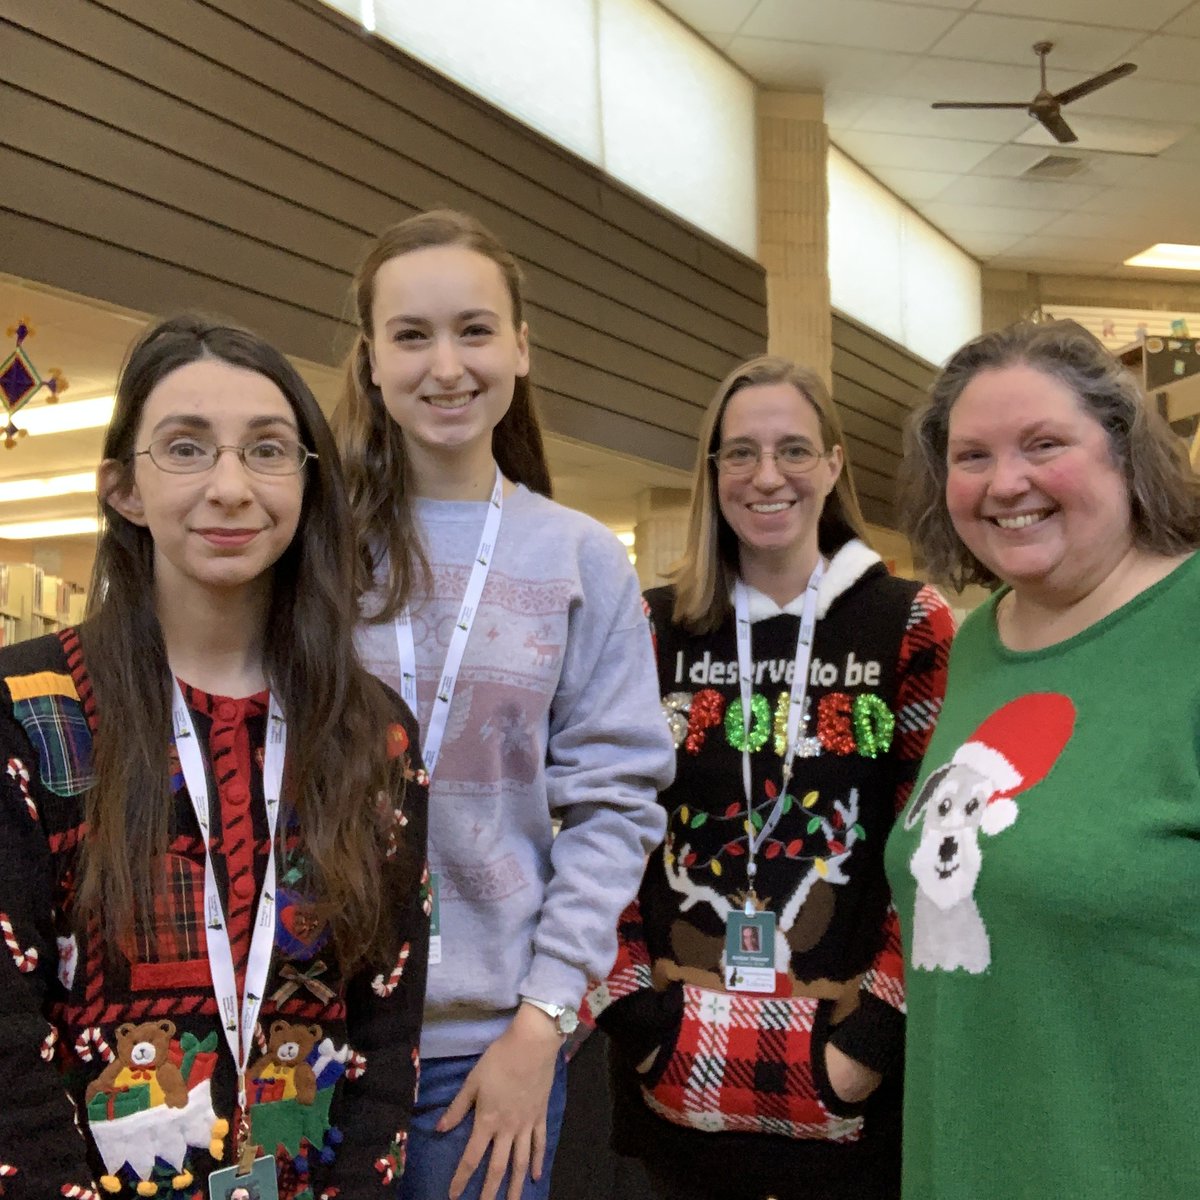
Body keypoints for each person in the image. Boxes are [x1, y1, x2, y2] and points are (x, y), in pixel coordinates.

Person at [0, 315, 429, 1200]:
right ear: (122, 488)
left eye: (267, 450)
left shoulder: (371, 735)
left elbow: (387, 1031)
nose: (230, 487)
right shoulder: (29, 711)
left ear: (307, 485)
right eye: (186, 449)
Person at [334, 209, 674, 1200]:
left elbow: (616, 807)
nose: (446, 365)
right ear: (369, 361)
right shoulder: (313, 549)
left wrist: (544, 1022)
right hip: (307, 1033)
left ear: (522, 347)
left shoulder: (578, 557)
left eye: (475, 330)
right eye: (411, 335)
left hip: (486, 1045)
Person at [592, 356, 955, 1200]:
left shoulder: (907, 625)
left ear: (832, 464)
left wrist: (870, 1043)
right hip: (674, 1054)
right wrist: (638, 1021)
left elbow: (935, 846)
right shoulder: (648, 627)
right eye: (740, 453)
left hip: (851, 1066)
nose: (766, 476)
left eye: (794, 450)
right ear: (712, 472)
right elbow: (600, 825)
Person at [888, 319, 1200, 1199]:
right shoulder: (981, 643)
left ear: (1124, 452)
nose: (1006, 483)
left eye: (1044, 445)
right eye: (972, 455)